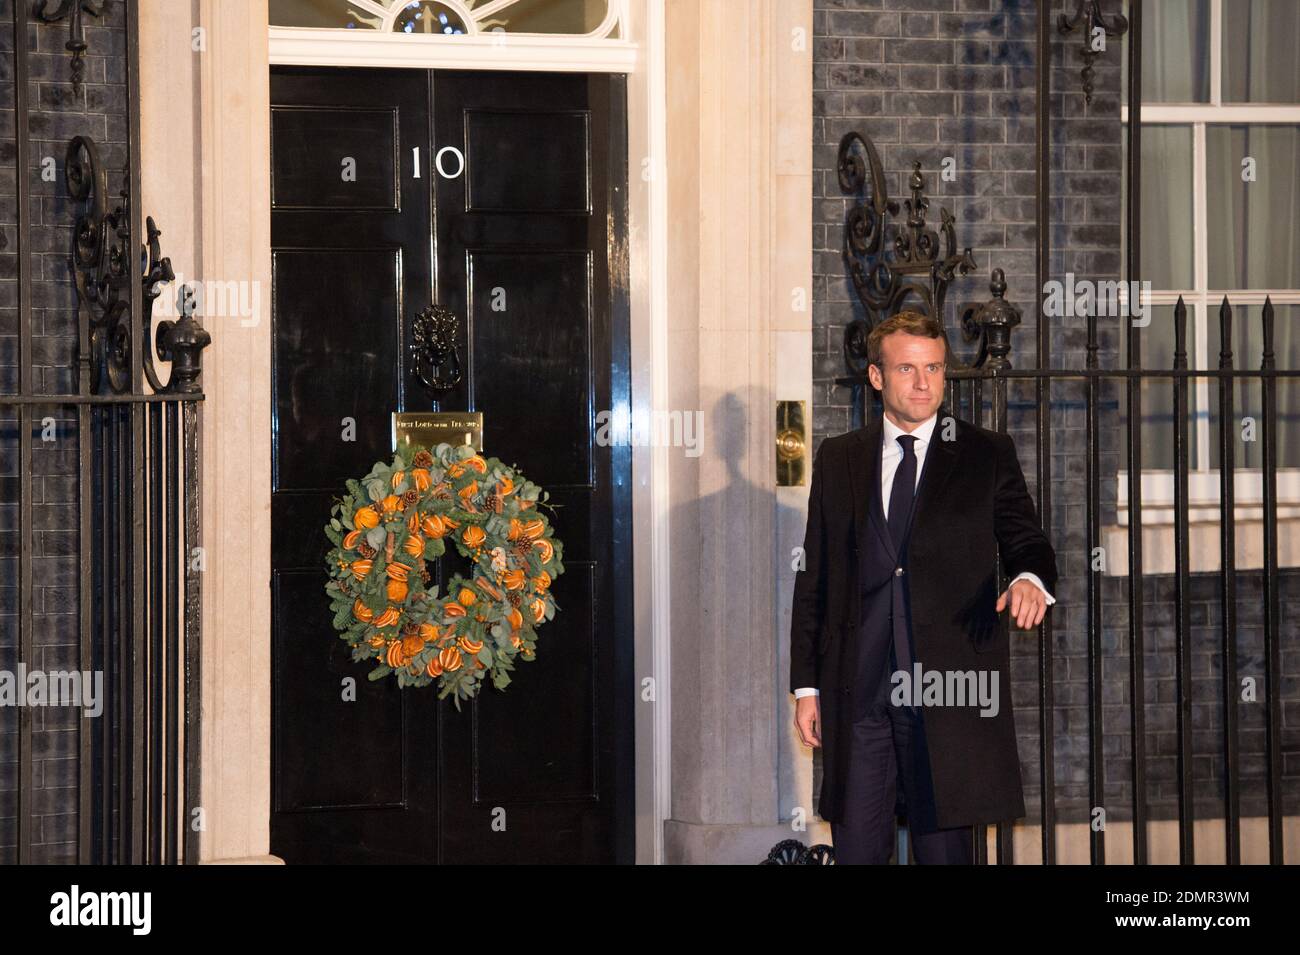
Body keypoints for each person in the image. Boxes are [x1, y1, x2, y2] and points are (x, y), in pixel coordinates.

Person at [789, 309, 1059, 864]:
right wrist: (807, 687)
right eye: (907, 369)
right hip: (857, 691)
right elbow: (815, 575)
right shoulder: (839, 457)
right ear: (876, 376)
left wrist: (1029, 579)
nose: (922, 382)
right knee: (858, 851)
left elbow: (1026, 542)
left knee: (945, 855)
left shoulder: (985, 452)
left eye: (934, 368)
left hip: (948, 694)